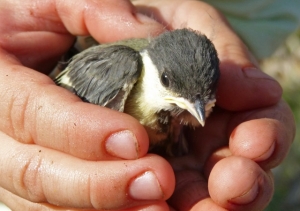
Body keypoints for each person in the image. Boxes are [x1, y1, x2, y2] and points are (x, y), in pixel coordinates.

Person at [0, 0, 296, 210]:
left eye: (201, 99)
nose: (195, 108)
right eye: (169, 84)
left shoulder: (194, 101)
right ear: (157, 69)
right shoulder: (123, 68)